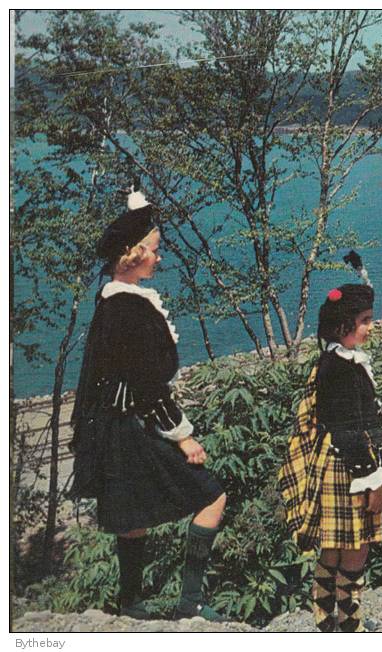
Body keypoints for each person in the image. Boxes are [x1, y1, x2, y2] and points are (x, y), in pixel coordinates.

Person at [70, 188, 228, 620]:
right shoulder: (131, 309)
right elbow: (147, 385)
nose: (160, 259)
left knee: (132, 516)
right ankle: (190, 602)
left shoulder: (111, 300)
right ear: (133, 254)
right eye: (155, 251)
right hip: (131, 424)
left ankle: (131, 604)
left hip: (114, 425)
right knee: (212, 496)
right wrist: (184, 437)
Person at [279, 261, 382, 633]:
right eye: (366, 321)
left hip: (333, 466)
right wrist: (373, 481)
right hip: (349, 469)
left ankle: (326, 624)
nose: (371, 328)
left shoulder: (329, 362)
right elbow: (350, 433)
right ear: (344, 327)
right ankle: (350, 626)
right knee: (355, 548)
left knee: (333, 546)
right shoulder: (344, 369)